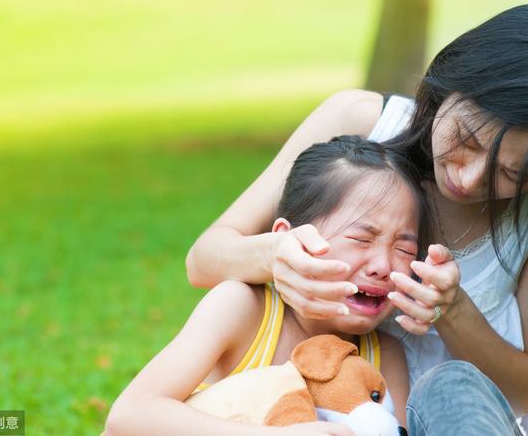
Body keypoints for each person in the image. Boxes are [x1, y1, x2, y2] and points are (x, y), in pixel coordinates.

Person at [185, 3, 528, 434]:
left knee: (449, 387)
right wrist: (275, 255)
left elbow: (522, 394)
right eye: (466, 139)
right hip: (302, 416)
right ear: (452, 82)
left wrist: (453, 311)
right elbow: (205, 258)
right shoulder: (360, 123)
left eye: (511, 174)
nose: (469, 178)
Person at [105, 135, 448, 435]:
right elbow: (129, 416)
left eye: (404, 248)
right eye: (360, 238)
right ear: (289, 239)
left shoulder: (383, 353)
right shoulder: (242, 309)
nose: (383, 266)